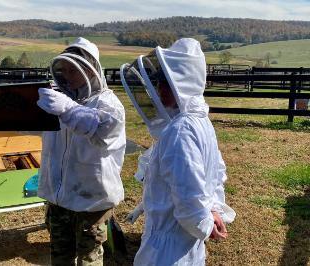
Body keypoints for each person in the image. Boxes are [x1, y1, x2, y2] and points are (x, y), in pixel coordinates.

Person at [120, 38, 236, 265]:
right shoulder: (201, 122)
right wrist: (210, 212)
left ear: (183, 82)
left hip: (166, 253)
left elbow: (190, 199)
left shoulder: (180, 130)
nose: (159, 87)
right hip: (186, 247)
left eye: (165, 81)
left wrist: (205, 221)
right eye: (158, 80)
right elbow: (209, 178)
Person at [36, 37, 126, 266]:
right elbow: (31, 124)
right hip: (59, 197)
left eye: (72, 70)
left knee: (89, 258)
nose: (66, 76)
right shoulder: (60, 99)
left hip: (91, 201)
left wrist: (67, 109)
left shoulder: (108, 104)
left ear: (90, 70)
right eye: (63, 70)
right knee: (59, 255)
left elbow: (102, 129)